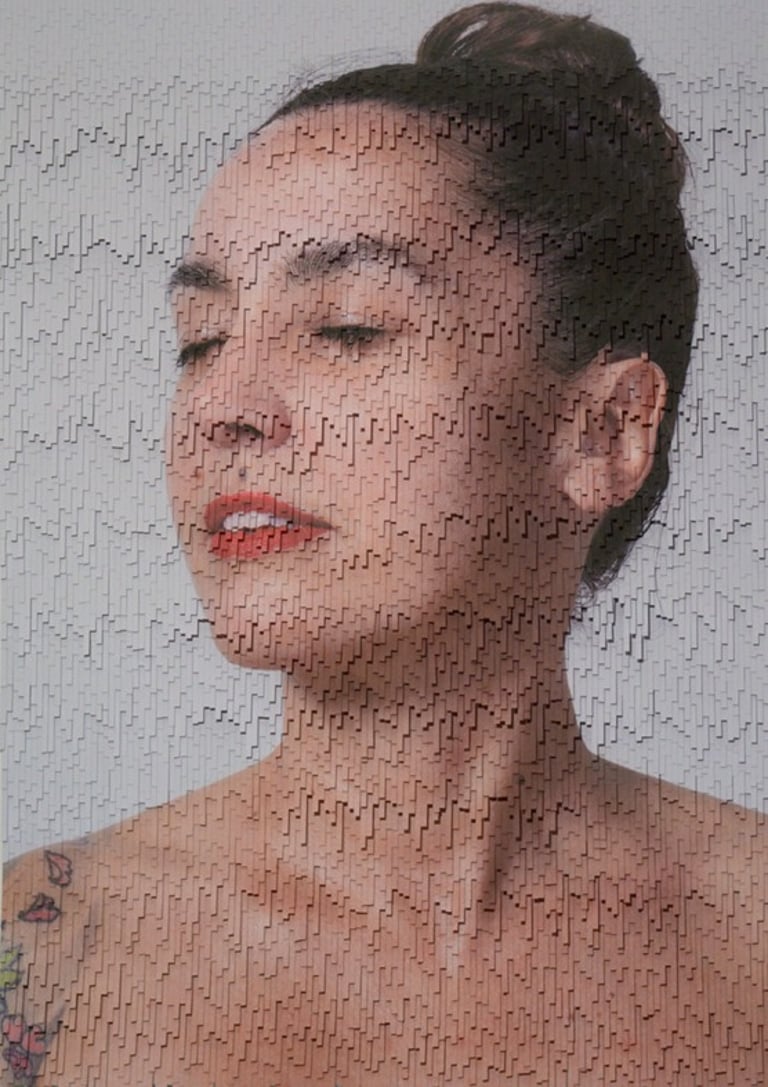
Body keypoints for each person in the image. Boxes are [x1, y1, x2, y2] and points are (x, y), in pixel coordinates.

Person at [2, 3, 765, 1084]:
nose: (225, 405)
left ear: (603, 430)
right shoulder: (44, 950)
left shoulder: (749, 939)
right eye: (200, 340)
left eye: (348, 327)